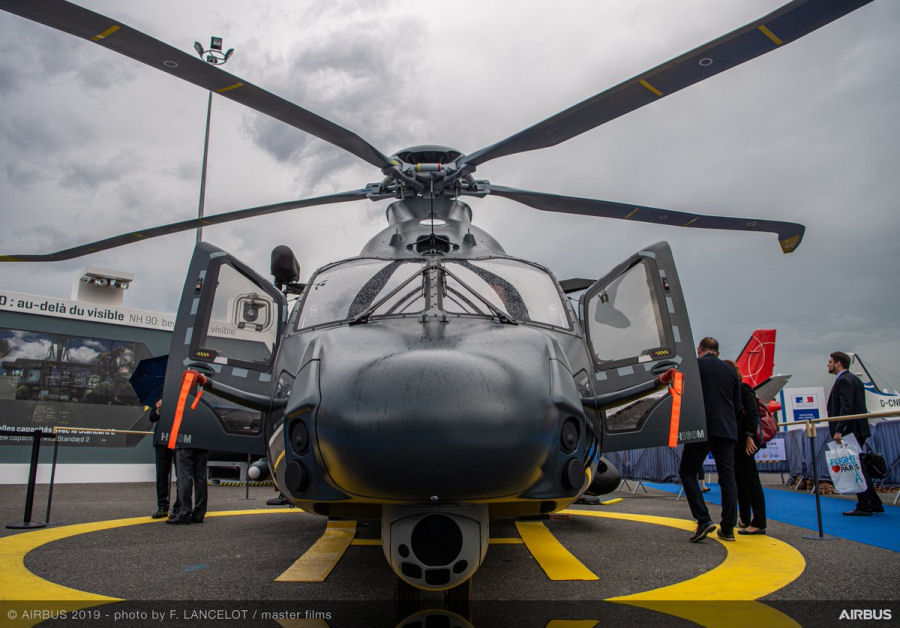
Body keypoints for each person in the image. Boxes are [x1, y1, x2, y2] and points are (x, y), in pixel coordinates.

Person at [678, 337, 741, 543]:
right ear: (718, 352)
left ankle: (703, 519)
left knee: (687, 472)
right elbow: (737, 404)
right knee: (727, 478)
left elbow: (685, 397)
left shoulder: (695, 366)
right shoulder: (731, 371)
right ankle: (729, 527)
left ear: (700, 350)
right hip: (727, 430)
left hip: (702, 427)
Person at [827, 351, 884, 516]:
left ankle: (865, 505)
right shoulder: (853, 379)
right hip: (857, 428)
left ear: (838, 363)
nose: (828, 365)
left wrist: (839, 429)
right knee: (860, 467)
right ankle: (874, 503)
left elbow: (847, 407)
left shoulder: (844, 380)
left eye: (830, 362)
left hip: (850, 430)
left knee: (856, 468)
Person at [724, 360, 767, 535]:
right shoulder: (735, 391)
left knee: (751, 480)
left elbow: (753, 413)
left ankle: (759, 521)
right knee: (740, 481)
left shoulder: (744, 389)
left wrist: (749, 436)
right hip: (736, 440)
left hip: (745, 441)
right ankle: (745, 518)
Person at [149, 398, 180, 519]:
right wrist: (158, 410)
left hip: (179, 438)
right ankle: (162, 507)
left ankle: (178, 507)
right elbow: (152, 418)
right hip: (161, 440)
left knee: (181, 474)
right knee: (161, 474)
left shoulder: (182, 394)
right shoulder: (159, 396)